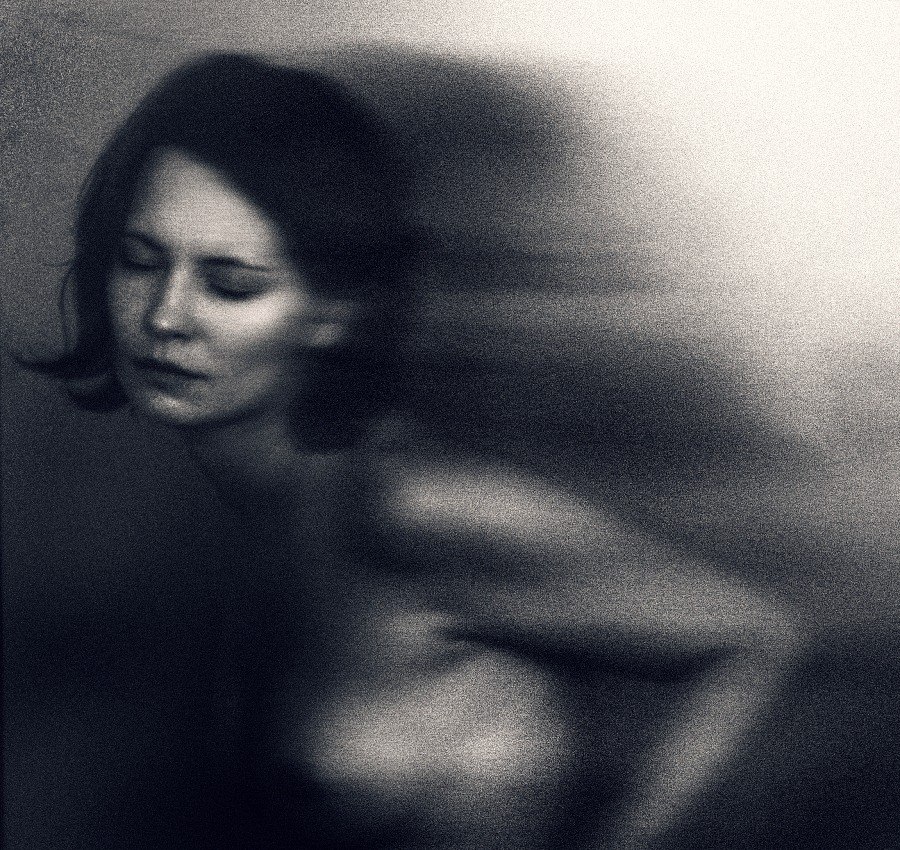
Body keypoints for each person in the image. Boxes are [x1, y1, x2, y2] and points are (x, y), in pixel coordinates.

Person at [33, 50, 801, 849]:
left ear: (333, 311)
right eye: (139, 260)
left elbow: (746, 640)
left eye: (230, 284)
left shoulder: (406, 508)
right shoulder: (225, 520)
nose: (164, 316)